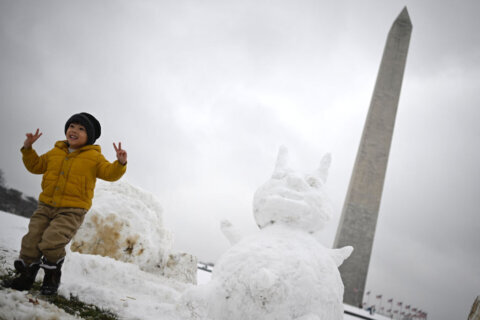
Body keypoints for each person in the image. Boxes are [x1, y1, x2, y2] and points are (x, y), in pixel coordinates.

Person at [2, 112, 127, 295]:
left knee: (52, 241)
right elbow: (36, 166)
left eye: (81, 129)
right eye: (72, 126)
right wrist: (28, 149)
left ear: (89, 137)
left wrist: (120, 163)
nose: (74, 130)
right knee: (31, 240)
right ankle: (25, 277)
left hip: (72, 210)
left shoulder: (94, 157)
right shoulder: (55, 152)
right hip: (46, 206)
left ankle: (51, 277)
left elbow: (110, 173)